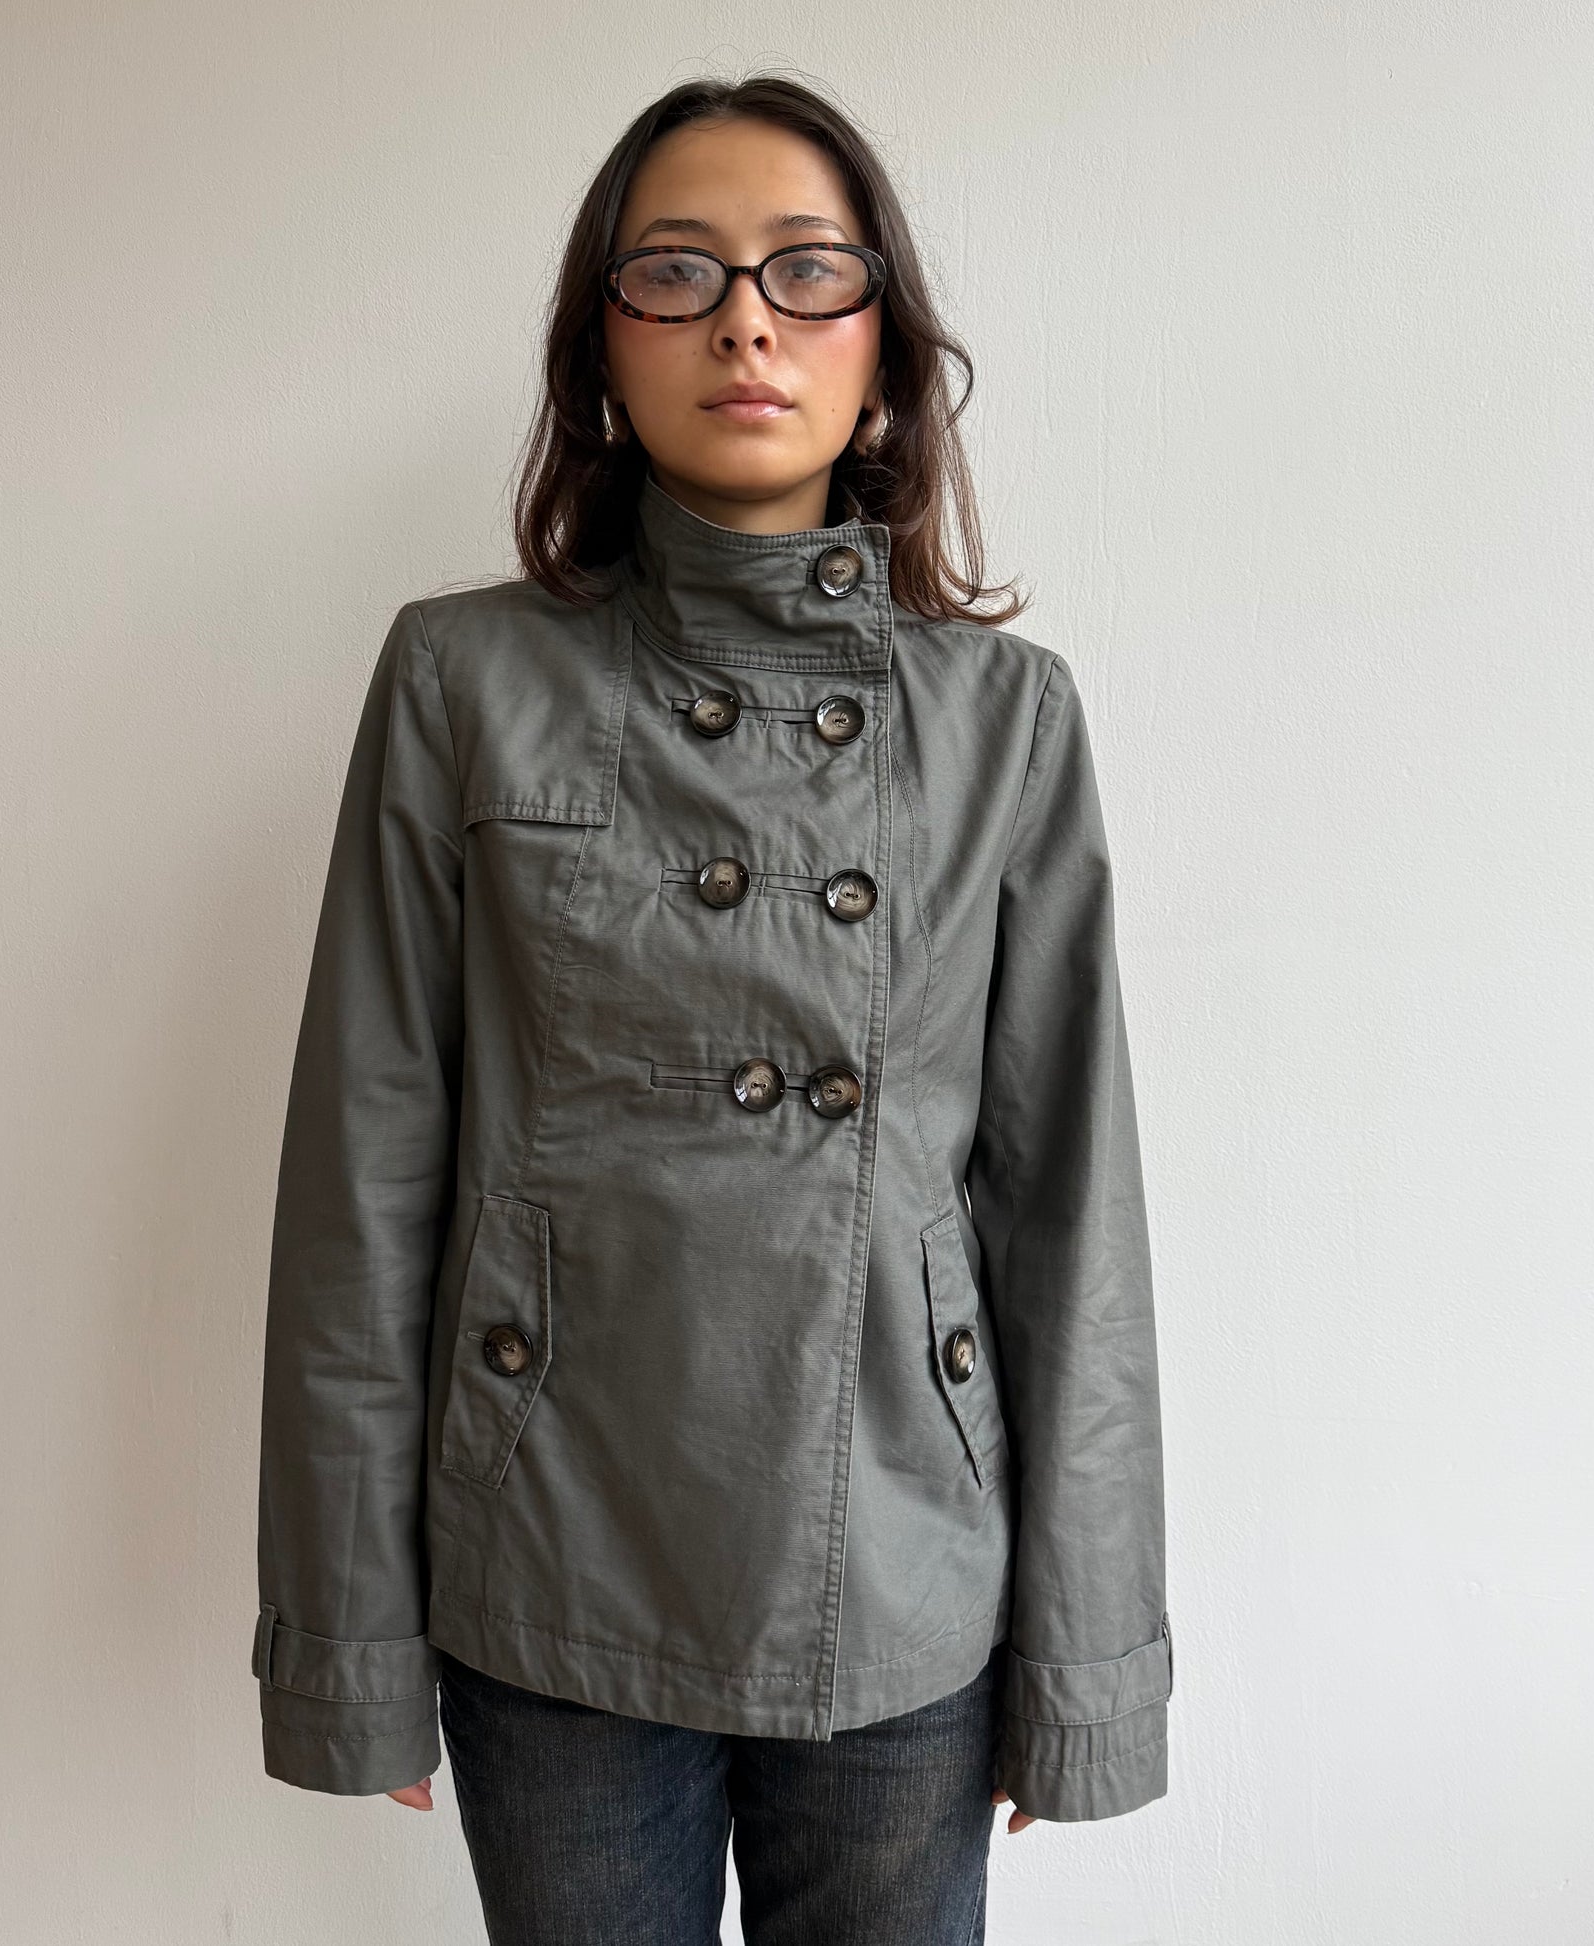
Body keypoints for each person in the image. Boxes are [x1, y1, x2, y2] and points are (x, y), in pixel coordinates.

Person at [252, 71, 1172, 1946]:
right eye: (674, 270)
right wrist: (349, 1628)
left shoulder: (1004, 722)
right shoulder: (462, 681)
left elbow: (1069, 1209)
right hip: (553, 1547)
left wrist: (1081, 1649)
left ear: (884, 349)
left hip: (899, 1558)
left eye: (805, 271)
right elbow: (366, 1171)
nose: (745, 320)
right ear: (598, 345)